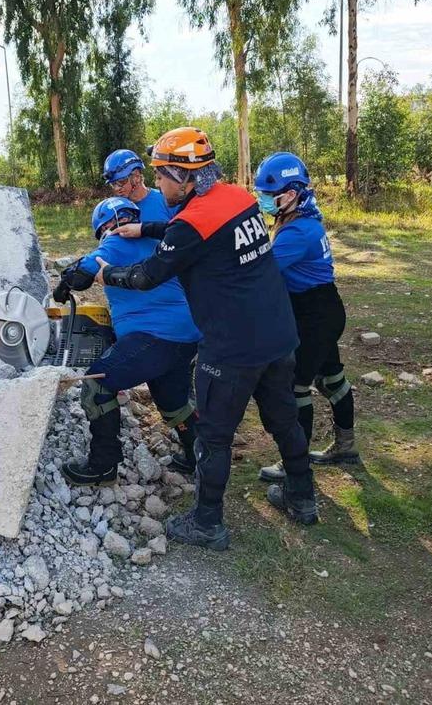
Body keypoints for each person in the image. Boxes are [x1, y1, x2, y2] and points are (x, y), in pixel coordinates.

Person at [95, 127, 318, 552]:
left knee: (213, 434)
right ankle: (302, 498)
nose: (156, 183)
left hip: (232, 348)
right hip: (278, 334)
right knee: (283, 420)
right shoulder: (240, 199)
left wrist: (107, 275)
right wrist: (147, 229)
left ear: (185, 177)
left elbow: (147, 276)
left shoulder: (191, 225)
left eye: (161, 175)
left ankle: (207, 521)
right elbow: (197, 235)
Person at [53, 195, 201, 485]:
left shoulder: (116, 242)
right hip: (186, 336)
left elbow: (82, 274)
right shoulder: (159, 243)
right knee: (174, 403)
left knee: (97, 384)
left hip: (154, 336)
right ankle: (200, 457)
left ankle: (103, 466)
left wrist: (62, 286)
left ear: (105, 225)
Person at [253, 152, 357, 482]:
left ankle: (295, 462)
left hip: (315, 315)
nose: (265, 201)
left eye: (270, 196)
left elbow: (263, 274)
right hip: (321, 309)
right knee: (332, 379)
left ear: (293, 194)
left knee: (295, 386)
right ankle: (346, 446)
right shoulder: (301, 220)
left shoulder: (299, 233)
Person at [102, 149, 177, 222]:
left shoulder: (167, 201)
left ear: (136, 176)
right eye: (113, 184)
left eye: (121, 182)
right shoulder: (118, 211)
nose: (117, 188)